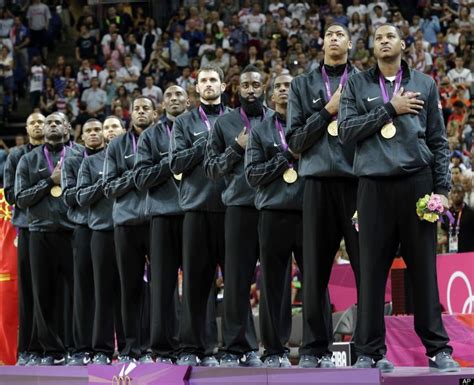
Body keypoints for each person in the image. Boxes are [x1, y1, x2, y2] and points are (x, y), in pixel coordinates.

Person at [338, 23, 460, 372]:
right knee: (372, 272)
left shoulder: (424, 83)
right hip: (373, 187)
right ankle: (369, 351)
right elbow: (345, 132)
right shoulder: (357, 84)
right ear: (372, 48)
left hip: (416, 184)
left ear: (403, 44)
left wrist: (442, 189)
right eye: (378, 38)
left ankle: (438, 349)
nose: (384, 41)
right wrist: (390, 109)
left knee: (423, 270)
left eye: (390, 36)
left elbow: (438, 141)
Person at [287, 23, 360, 369]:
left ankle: (369, 347)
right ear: (323, 42)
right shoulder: (302, 85)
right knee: (314, 270)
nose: (334, 38)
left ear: (350, 43)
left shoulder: (365, 81)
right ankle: (314, 348)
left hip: (357, 184)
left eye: (340, 34)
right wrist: (328, 110)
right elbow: (295, 141)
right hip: (315, 184)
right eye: (329, 34)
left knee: (366, 267)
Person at [204, 64, 272, 368]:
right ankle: (235, 348)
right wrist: (236, 147)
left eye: (256, 84)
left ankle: (275, 349)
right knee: (236, 281)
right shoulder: (226, 123)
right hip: (239, 209)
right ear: (237, 89)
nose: (251, 90)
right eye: (245, 85)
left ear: (264, 87)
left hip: (273, 207)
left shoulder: (276, 120)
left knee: (274, 280)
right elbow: (211, 168)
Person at [169, 64, 231, 366]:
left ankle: (236, 348)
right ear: (197, 87)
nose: (208, 84)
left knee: (235, 282)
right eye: (203, 80)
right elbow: (176, 163)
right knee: (195, 283)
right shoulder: (183, 122)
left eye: (213, 80)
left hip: (232, 209)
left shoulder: (236, 118)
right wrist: (208, 145)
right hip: (195, 208)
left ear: (223, 85)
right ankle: (195, 348)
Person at [245, 73, 303, 367]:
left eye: (290, 86)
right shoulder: (259, 131)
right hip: (272, 212)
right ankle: (274, 350)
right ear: (270, 96)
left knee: (315, 280)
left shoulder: (309, 124)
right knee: (272, 285)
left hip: (308, 211)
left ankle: (318, 349)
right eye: (279, 86)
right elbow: (252, 175)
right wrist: (286, 156)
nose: (284, 90)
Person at [14, 112, 78, 365]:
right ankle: (51, 351)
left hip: (73, 233)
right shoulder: (28, 160)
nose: (52, 125)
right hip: (40, 234)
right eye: (48, 122)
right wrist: (49, 181)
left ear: (67, 128)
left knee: (78, 294)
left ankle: (77, 348)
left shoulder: (79, 155)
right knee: (43, 295)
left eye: (57, 122)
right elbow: (20, 198)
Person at [133, 85, 189, 363]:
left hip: (194, 214)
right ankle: (163, 349)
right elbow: (141, 179)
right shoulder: (151, 136)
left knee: (197, 285)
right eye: (168, 95)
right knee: (163, 286)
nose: (174, 98)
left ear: (188, 101)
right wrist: (173, 162)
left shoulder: (199, 127)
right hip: (162, 216)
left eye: (179, 94)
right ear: (161, 106)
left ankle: (194, 347)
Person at [103, 97, 155, 363]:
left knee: (161, 289)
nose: (141, 112)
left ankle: (157, 348)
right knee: (130, 288)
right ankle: (130, 349)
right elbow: (109, 186)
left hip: (157, 221)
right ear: (130, 115)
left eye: (146, 108)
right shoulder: (117, 145)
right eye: (137, 109)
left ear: (155, 114)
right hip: (125, 223)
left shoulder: (163, 137)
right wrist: (140, 174)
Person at [76, 116, 126, 365]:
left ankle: (131, 347)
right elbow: (81, 197)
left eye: (114, 126)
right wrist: (106, 184)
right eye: (106, 128)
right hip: (102, 232)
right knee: (103, 293)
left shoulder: (132, 155)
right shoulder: (91, 162)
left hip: (130, 230)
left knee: (130, 291)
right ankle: (102, 350)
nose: (109, 131)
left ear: (123, 130)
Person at [60, 119, 105, 365]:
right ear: (82, 137)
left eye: (98, 130)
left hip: (110, 229)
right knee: (84, 289)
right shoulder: (72, 161)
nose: (94, 134)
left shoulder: (112, 156)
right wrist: (100, 187)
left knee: (110, 288)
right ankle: (82, 347)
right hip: (83, 229)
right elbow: (69, 197)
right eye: (89, 131)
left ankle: (107, 347)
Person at [3, 112, 45, 366]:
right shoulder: (16, 156)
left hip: (59, 229)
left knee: (59, 290)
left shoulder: (63, 154)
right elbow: (11, 196)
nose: (38, 125)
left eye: (42, 121)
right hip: (28, 229)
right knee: (29, 291)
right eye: (33, 122)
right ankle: (29, 350)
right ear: (27, 129)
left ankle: (61, 347)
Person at [442, 184, 474, 253]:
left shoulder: (471, 213)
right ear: (450, 195)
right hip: (451, 253)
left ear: (464, 194)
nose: (456, 195)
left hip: (468, 253)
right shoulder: (446, 214)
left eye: (459, 192)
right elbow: (445, 232)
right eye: (454, 192)